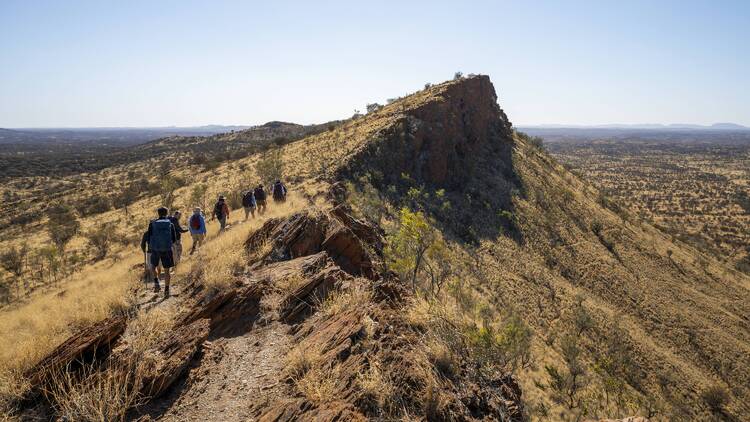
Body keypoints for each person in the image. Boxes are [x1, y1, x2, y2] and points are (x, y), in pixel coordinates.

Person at [141, 207, 177, 297]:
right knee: (167, 271)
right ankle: (167, 290)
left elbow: (149, 238)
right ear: (166, 213)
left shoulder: (152, 224)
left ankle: (156, 283)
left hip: (155, 250)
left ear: (158, 213)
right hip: (167, 249)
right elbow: (174, 239)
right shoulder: (170, 224)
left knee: (153, 267)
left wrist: (152, 247)